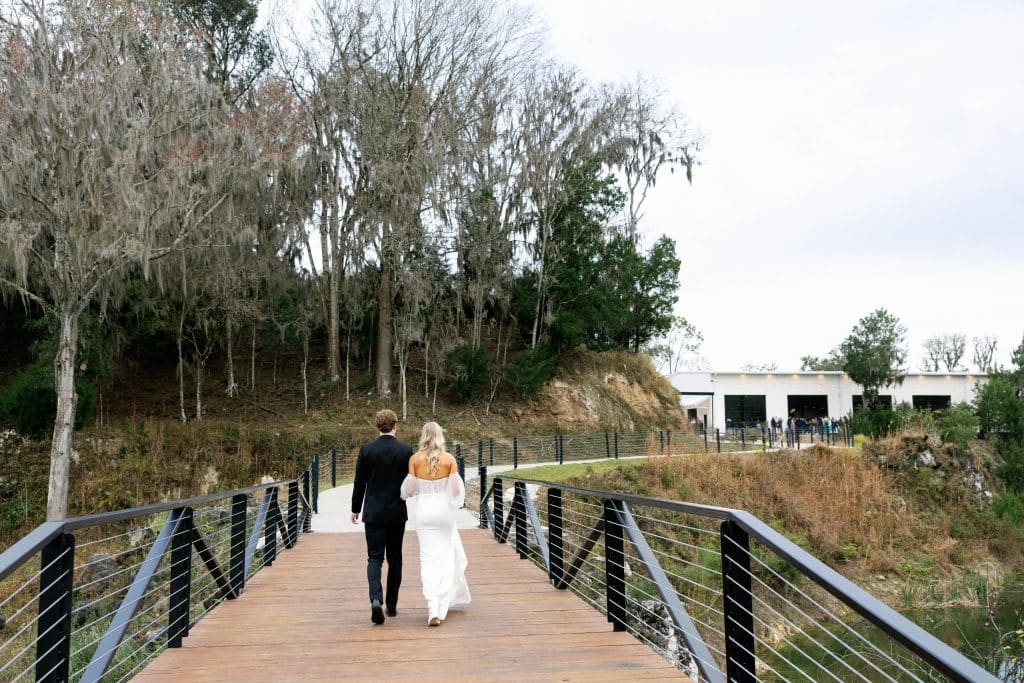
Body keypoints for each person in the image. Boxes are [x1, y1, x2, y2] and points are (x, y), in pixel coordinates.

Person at [400, 421, 471, 626]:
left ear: (423, 436)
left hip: (424, 512)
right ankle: (441, 602)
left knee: (427, 558)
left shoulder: (414, 459)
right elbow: (457, 493)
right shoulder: (449, 459)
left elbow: (408, 491)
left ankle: (432, 605)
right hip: (443, 512)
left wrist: (423, 485)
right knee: (446, 556)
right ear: (440, 436)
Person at [351, 409, 413, 625]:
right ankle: (392, 605)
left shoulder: (367, 450)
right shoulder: (406, 450)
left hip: (374, 512)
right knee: (395, 558)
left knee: (375, 558)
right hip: (396, 512)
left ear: (378, 426)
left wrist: (355, 508)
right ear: (395, 425)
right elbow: (410, 483)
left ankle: (375, 598)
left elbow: (360, 482)